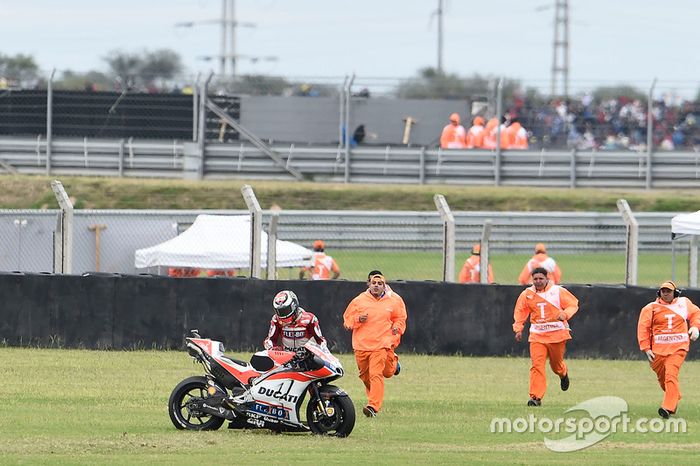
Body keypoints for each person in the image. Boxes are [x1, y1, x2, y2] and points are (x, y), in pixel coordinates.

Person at [343, 270, 407, 418]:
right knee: (366, 376)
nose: (376, 286)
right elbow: (347, 321)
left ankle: (373, 406)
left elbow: (400, 318)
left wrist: (397, 329)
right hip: (361, 345)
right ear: (368, 284)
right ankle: (394, 364)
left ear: (385, 285)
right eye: (374, 283)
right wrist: (359, 319)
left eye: (380, 284)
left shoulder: (394, 300)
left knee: (376, 374)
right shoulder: (359, 300)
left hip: (382, 344)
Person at [513, 267, 579, 407]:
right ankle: (535, 398)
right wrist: (518, 328)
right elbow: (520, 311)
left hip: (557, 335)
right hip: (537, 336)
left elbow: (573, 304)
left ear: (547, 278)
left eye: (541, 279)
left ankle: (563, 373)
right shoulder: (527, 294)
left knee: (556, 365)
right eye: (535, 279)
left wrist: (565, 314)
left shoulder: (557, 291)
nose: (538, 282)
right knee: (537, 366)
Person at [637, 281, 700, 418]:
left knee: (671, 375)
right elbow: (643, 328)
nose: (666, 294)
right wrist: (646, 348)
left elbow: (696, 313)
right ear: (659, 293)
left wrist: (695, 327)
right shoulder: (650, 308)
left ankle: (667, 408)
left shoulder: (684, 303)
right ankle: (674, 395)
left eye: (669, 291)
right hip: (658, 351)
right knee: (663, 379)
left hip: (679, 348)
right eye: (663, 291)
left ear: (675, 292)